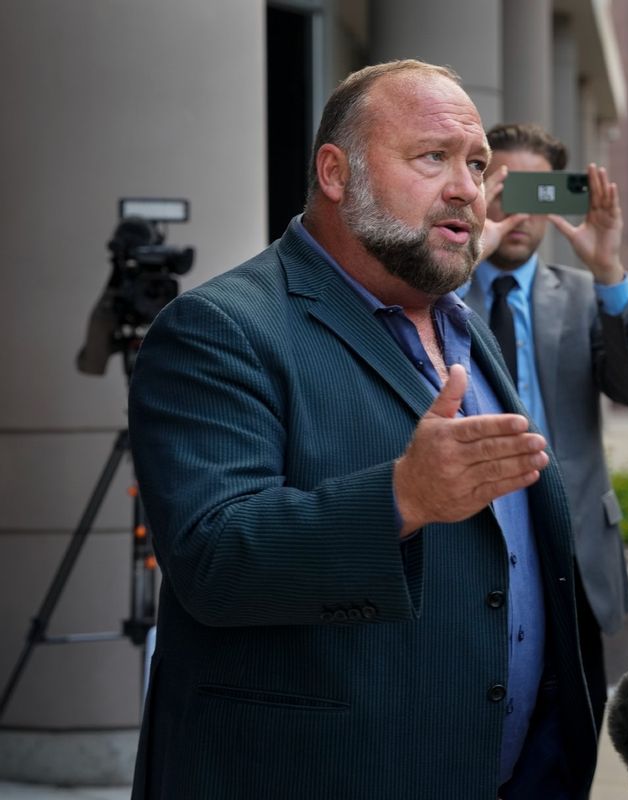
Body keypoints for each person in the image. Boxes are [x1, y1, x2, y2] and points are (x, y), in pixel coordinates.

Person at [127, 60, 596, 799]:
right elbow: (212, 560)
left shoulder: (468, 331)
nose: (468, 189)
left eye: (476, 165)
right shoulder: (219, 329)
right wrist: (401, 498)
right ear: (336, 172)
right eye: (433, 157)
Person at [458, 122, 628, 728]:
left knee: (568, 739)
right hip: (467, 548)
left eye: (537, 194)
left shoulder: (585, 295)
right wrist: (467, 253)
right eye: (504, 189)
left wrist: (610, 273)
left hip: (571, 554)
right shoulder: (438, 294)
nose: (518, 212)